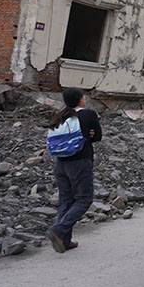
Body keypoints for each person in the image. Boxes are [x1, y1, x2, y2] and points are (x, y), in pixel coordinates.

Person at [45, 88, 102, 253]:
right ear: (81, 99)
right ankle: (58, 229)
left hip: (60, 162)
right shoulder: (88, 114)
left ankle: (64, 240)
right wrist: (89, 134)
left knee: (66, 200)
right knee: (84, 199)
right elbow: (97, 136)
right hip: (80, 161)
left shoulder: (59, 115)